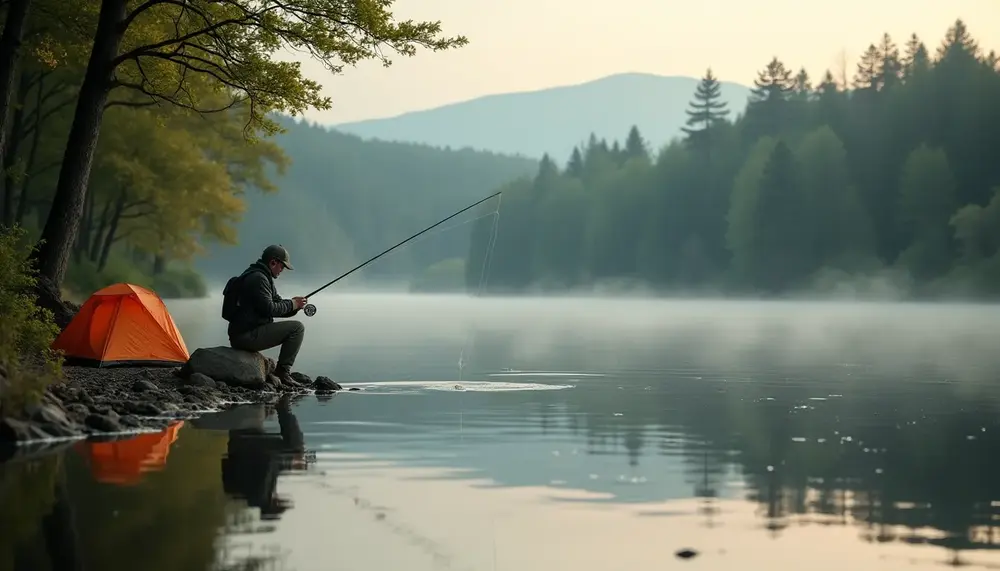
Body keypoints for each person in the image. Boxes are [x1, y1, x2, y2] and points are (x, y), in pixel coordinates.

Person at [227, 245, 308, 384]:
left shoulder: (261, 276)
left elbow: (277, 305)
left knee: (295, 327)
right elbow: (270, 309)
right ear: (273, 262)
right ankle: (282, 373)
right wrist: (293, 304)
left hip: (243, 333)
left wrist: (295, 306)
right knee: (297, 328)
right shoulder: (258, 278)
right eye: (282, 266)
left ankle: (282, 372)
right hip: (246, 336)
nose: (282, 270)